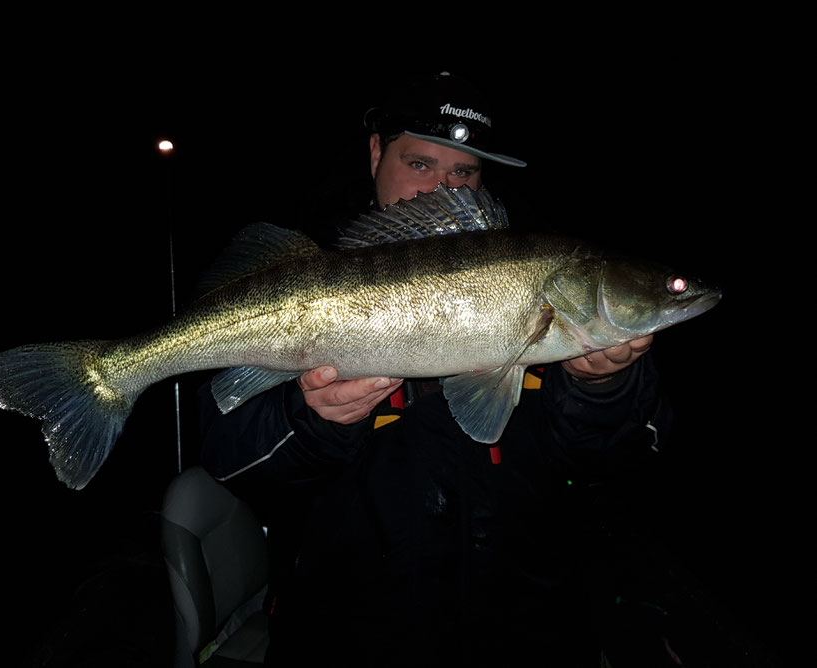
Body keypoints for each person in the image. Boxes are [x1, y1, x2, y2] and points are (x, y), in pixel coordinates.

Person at [200, 72, 676, 666]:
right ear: (375, 152)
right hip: (352, 635)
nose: (440, 189)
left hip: (529, 631)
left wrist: (603, 388)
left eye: (464, 173)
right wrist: (313, 421)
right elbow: (228, 459)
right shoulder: (301, 277)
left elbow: (626, 461)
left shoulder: (565, 315)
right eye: (420, 164)